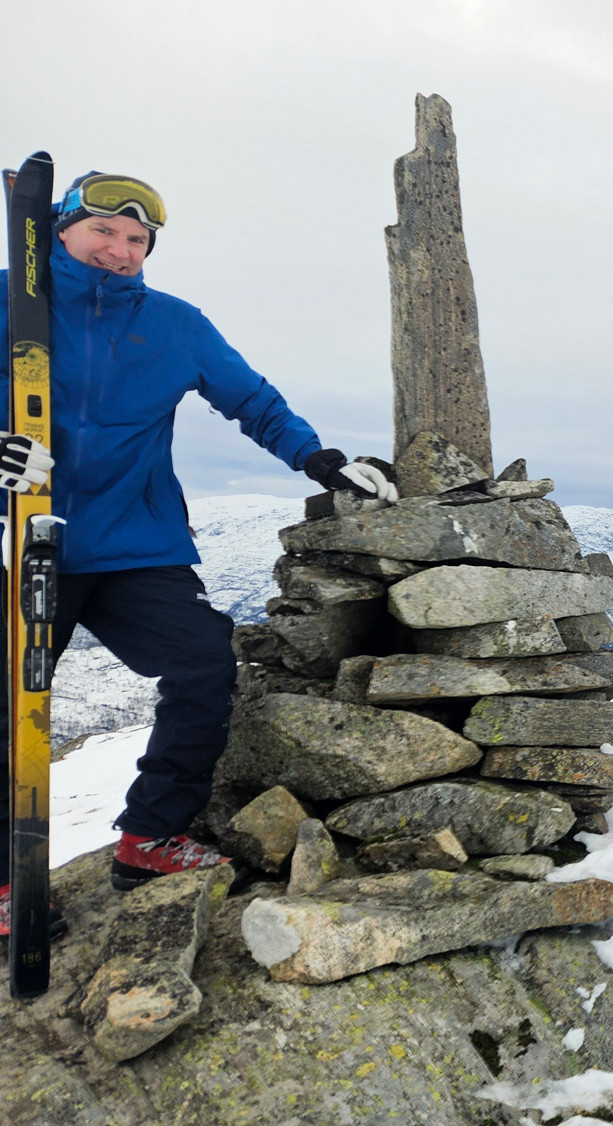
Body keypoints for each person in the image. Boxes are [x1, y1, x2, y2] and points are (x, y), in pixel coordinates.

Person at [0, 172, 397, 935]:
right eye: (104, 232)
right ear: (58, 230)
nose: (120, 250)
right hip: (19, 536)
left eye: (137, 239)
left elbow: (252, 401)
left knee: (203, 661)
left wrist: (318, 460)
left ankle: (150, 835)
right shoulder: (13, 306)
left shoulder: (175, 325)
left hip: (131, 542)